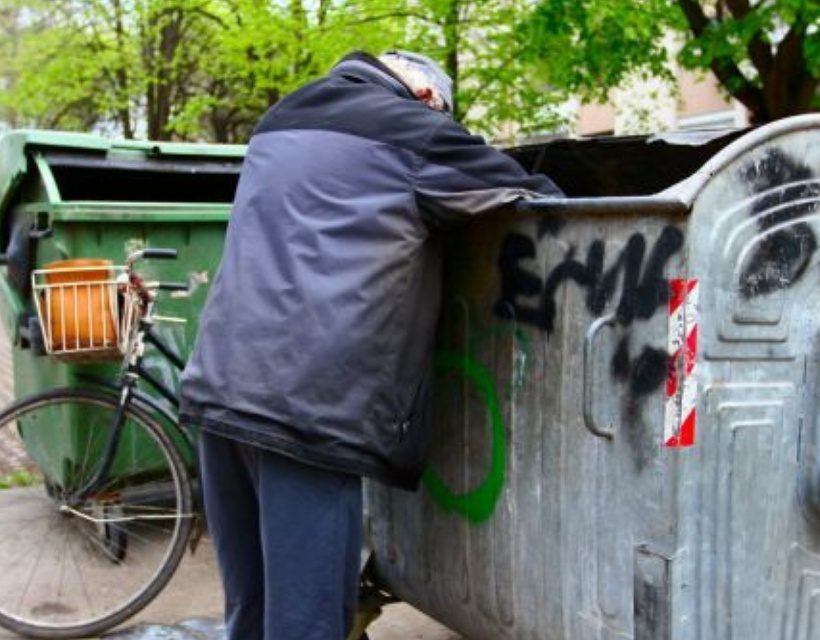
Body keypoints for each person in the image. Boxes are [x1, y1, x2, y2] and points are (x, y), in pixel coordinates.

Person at [179, 50, 563, 640]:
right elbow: (531, 194)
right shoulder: (416, 130)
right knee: (307, 625)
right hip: (310, 413)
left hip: (220, 387)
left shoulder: (284, 115)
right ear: (429, 97)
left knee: (251, 615)